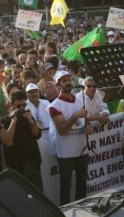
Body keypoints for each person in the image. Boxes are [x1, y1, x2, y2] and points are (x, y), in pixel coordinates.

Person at [47, 71, 92, 205]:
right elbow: (61, 130)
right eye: (64, 81)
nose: (68, 82)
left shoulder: (80, 99)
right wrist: (74, 116)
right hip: (65, 152)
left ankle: (82, 209)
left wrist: (88, 126)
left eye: (69, 80)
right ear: (58, 85)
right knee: (66, 185)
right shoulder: (55, 105)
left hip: (82, 149)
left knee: (82, 183)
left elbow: (85, 118)